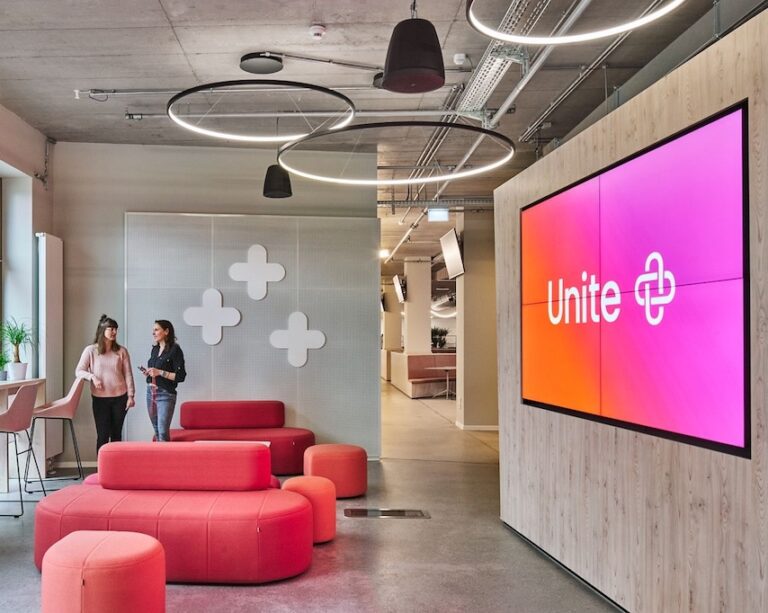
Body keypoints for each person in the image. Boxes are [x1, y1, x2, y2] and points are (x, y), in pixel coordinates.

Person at [76, 315, 135, 454]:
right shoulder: (91, 350)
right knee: (102, 435)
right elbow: (79, 371)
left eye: (116, 329)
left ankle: (117, 465)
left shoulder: (122, 351)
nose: (114, 332)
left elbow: (128, 374)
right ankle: (102, 466)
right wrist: (92, 377)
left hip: (120, 398)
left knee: (116, 435)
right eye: (111, 329)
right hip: (100, 400)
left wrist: (131, 396)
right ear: (102, 330)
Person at [141, 319, 186, 442]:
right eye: (153, 330)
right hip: (151, 393)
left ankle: (166, 454)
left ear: (166, 331)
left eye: (156, 330)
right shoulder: (155, 350)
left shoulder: (175, 350)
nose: (153, 333)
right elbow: (155, 370)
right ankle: (159, 454)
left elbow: (181, 376)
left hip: (166, 394)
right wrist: (149, 373)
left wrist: (160, 372)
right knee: (156, 430)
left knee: (162, 431)